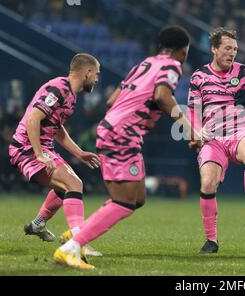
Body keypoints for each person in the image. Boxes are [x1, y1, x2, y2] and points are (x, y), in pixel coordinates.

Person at [54, 25, 199, 269]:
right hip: (122, 135)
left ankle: (77, 236)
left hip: (114, 129)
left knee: (137, 198)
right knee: (124, 201)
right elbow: (163, 96)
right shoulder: (172, 65)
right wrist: (189, 128)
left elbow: (112, 100)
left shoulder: (144, 65)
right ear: (183, 52)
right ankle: (72, 247)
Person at [188, 27, 245, 254]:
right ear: (214, 49)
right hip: (213, 138)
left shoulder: (243, 72)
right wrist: (196, 131)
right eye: (227, 48)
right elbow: (193, 111)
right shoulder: (199, 76)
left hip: (239, 129)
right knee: (207, 184)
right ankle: (211, 240)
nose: (232, 53)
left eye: (235, 49)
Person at [8, 53, 101, 247]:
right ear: (88, 72)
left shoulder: (70, 95)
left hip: (40, 147)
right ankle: (78, 242)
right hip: (27, 148)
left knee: (65, 187)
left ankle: (37, 225)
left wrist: (79, 153)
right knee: (74, 184)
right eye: (97, 74)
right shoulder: (58, 88)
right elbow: (33, 118)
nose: (97, 79)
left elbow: (57, 129)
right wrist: (39, 154)